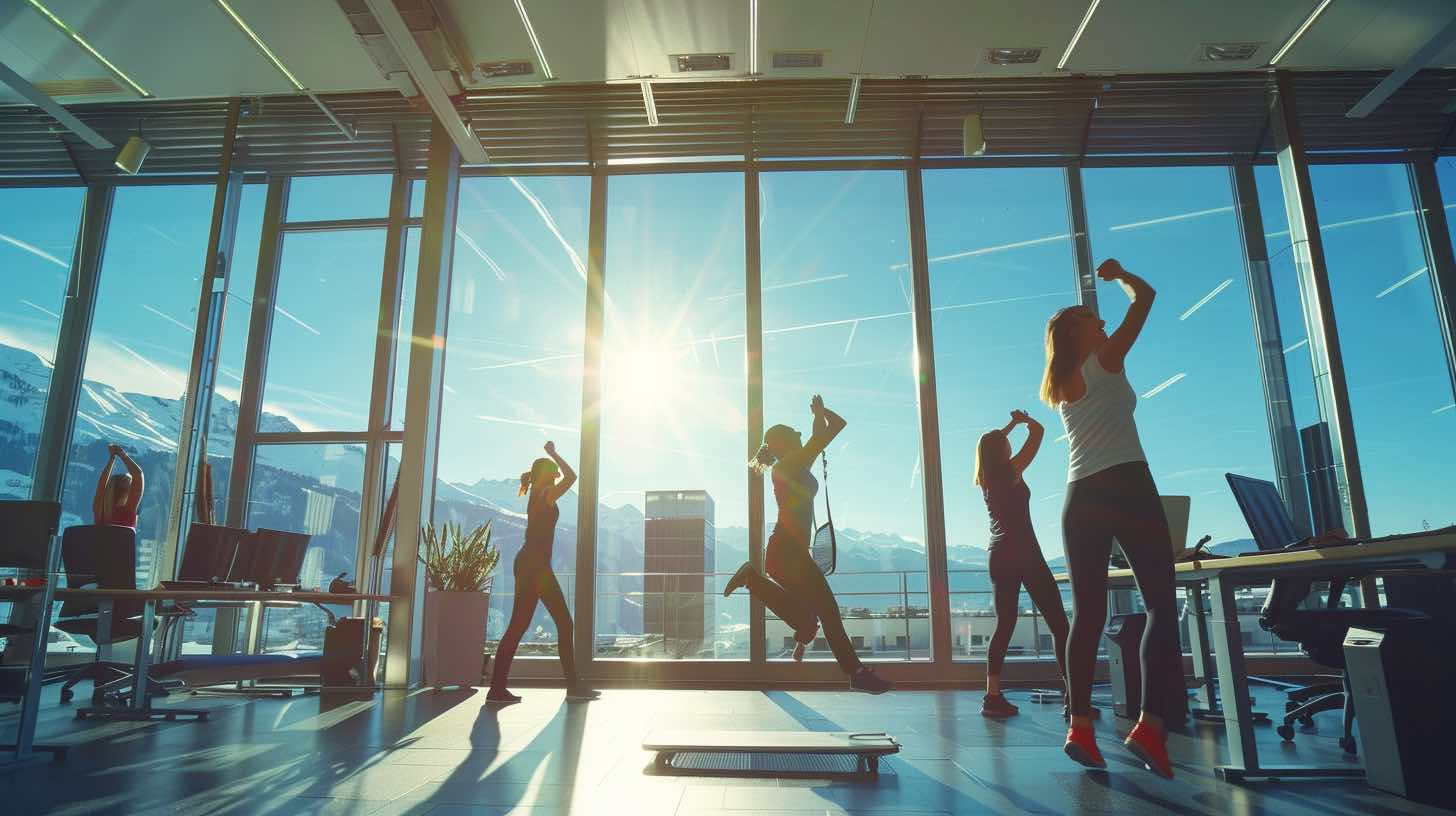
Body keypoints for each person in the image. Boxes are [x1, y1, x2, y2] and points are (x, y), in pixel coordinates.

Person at [1041, 258, 1179, 779]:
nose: (1104, 324)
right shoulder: (1105, 357)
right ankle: (1149, 725)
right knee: (1163, 609)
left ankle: (1079, 727)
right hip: (1127, 485)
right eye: (1094, 320)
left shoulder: (1063, 381)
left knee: (1088, 615)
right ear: (1083, 332)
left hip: (1080, 496)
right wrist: (1121, 274)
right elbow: (1145, 297)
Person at [724, 394, 891, 694]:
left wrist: (817, 416)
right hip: (787, 553)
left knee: (811, 615)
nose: (801, 438)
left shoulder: (793, 466)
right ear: (786, 444)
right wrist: (822, 411)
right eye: (795, 435)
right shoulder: (788, 466)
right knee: (827, 609)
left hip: (789, 554)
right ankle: (856, 673)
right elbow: (836, 426)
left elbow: (819, 436)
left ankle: (754, 580)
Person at [974, 409, 1069, 719]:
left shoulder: (986, 475)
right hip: (1024, 552)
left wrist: (1011, 425)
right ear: (1002, 451)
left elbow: (991, 443)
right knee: (1058, 622)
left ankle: (992, 696)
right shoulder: (1012, 469)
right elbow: (1039, 432)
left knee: (1005, 624)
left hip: (998, 553)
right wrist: (1026, 422)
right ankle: (1073, 696)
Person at [487, 441, 597, 703]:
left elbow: (565, 476)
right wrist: (554, 453)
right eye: (552, 469)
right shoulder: (545, 493)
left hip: (533, 565)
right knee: (555, 623)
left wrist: (551, 461)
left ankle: (497, 689)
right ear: (546, 473)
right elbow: (572, 476)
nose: (556, 473)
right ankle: (572, 687)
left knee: (521, 626)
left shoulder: (538, 491)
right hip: (535, 567)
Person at [92, 443, 143, 527]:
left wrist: (112, 458)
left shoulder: (99, 511)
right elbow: (138, 475)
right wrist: (122, 454)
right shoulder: (126, 514)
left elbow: (101, 485)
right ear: (127, 493)